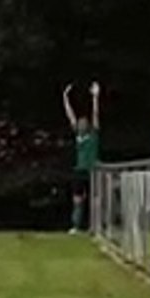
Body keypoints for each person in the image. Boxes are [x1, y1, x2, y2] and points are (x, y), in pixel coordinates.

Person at [63, 82, 101, 235]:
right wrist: (65, 98)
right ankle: (76, 225)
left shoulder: (93, 135)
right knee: (77, 199)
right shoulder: (78, 136)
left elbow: (96, 114)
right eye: (80, 122)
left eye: (84, 122)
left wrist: (95, 97)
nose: (81, 124)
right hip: (80, 170)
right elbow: (70, 115)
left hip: (93, 169)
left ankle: (96, 226)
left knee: (95, 199)